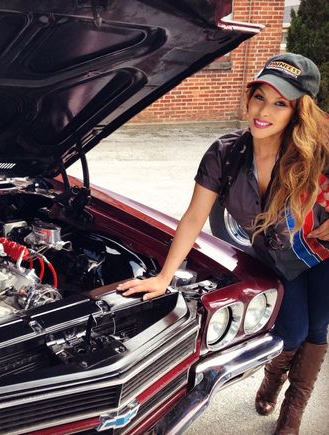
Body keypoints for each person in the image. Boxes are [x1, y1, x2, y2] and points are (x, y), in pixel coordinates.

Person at [116, 53, 329, 435]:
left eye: (280, 103)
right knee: (293, 331)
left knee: (318, 329)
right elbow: (194, 217)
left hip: (325, 255)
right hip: (280, 259)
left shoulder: (319, 150)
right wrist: (164, 277)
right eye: (259, 97)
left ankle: (293, 408)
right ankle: (273, 380)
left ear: (298, 111)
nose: (263, 111)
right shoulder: (226, 154)